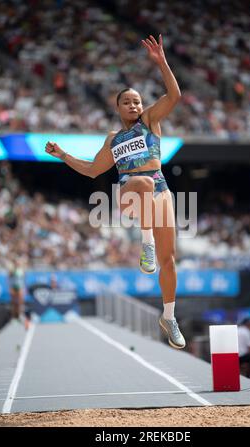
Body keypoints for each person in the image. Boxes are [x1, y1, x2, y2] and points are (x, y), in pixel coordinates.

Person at [45, 35, 185, 349]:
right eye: (128, 102)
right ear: (117, 107)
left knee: (170, 261)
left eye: (137, 101)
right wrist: (64, 155)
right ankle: (145, 243)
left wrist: (161, 62)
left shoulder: (150, 121)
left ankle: (169, 316)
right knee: (144, 184)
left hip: (160, 192)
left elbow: (175, 96)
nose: (134, 105)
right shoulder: (113, 139)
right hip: (129, 193)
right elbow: (94, 170)